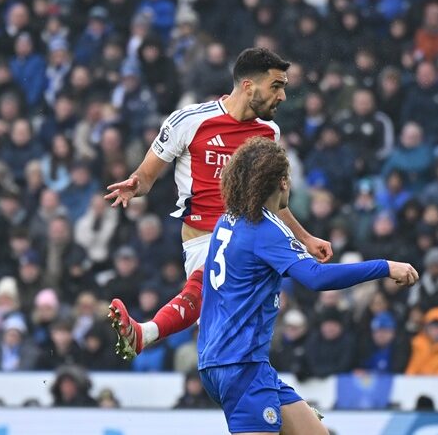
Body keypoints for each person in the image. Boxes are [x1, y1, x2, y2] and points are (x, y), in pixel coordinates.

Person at [105, 48, 333, 360]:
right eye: (276, 86)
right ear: (249, 86)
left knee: (247, 336)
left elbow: (275, 203)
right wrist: (135, 185)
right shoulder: (189, 121)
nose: (282, 96)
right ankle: (146, 334)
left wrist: (306, 238)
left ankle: (284, 404)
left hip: (252, 235)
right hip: (204, 236)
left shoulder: (269, 133)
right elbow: (145, 177)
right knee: (211, 286)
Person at [196, 137, 418, 435]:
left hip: (228, 362)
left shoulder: (228, 220)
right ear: (283, 182)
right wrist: (385, 266)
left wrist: (302, 244)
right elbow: (316, 277)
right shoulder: (265, 229)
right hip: (242, 366)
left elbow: (251, 273)